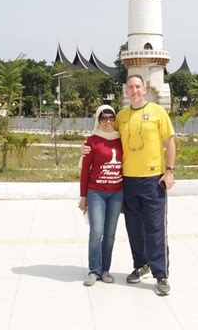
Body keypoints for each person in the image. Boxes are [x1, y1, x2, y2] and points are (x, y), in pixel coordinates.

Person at [84, 75, 176, 295]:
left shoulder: (158, 112)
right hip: (128, 181)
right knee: (134, 229)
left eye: (137, 86)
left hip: (153, 180)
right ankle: (141, 265)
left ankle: (160, 274)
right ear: (126, 91)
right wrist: (86, 147)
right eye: (130, 87)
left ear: (144, 89)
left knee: (155, 228)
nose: (134, 90)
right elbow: (104, 131)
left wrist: (170, 171)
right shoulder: (122, 117)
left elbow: (170, 141)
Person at [79, 104, 123, 286]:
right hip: (96, 193)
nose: (108, 121)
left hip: (116, 193)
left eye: (111, 118)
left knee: (110, 233)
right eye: (103, 118)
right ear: (98, 120)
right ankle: (93, 270)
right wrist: (83, 196)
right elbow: (85, 171)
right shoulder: (92, 141)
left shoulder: (121, 139)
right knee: (96, 232)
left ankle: (105, 270)